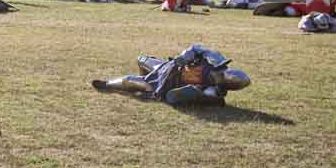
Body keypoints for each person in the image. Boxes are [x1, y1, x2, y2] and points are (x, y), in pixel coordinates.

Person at [92, 45, 251, 107]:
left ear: (230, 85)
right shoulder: (216, 60)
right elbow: (197, 48)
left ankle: (107, 84)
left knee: (130, 81)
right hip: (170, 67)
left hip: (165, 84)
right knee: (142, 59)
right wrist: (185, 56)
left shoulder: (213, 92)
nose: (227, 74)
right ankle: (147, 75)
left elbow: (178, 96)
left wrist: (198, 94)